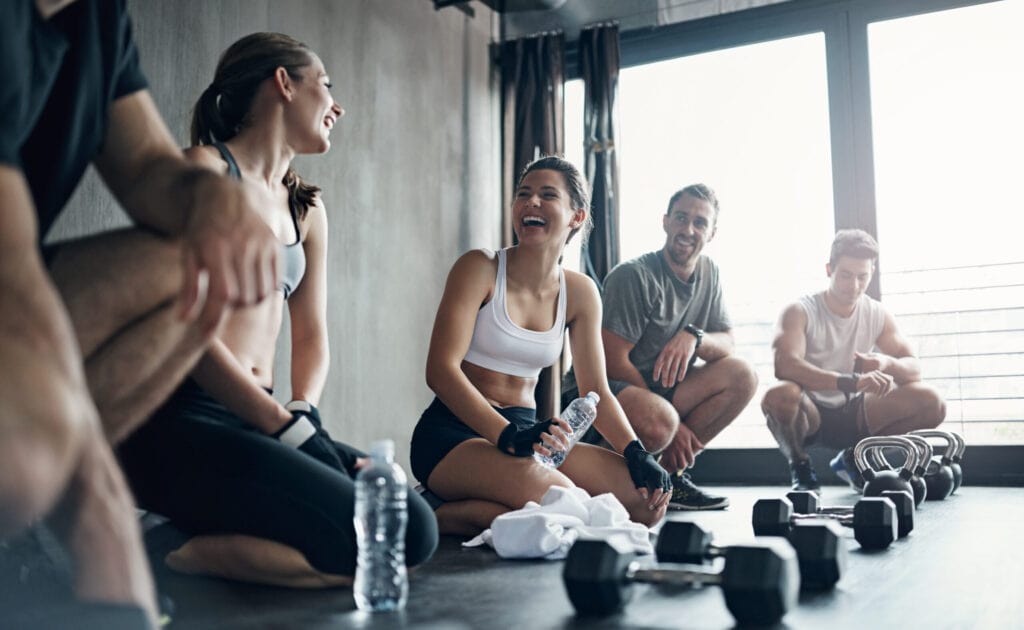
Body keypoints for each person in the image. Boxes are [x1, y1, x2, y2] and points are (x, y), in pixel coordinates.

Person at [117, 32, 438, 587]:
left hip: (263, 419)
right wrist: (286, 429)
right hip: (177, 421)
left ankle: (178, 541)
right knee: (371, 553)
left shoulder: (305, 210)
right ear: (283, 84)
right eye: (326, 85)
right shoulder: (205, 173)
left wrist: (303, 412)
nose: (337, 105)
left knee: (413, 527)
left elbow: (312, 334)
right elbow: (181, 326)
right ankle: (162, 554)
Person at [1, 1, 282, 626]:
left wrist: (212, 197)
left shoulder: (94, 15)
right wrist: (104, 515)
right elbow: (9, 265)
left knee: (203, 264)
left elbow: (149, 166)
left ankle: (29, 525)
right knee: (23, 465)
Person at [410, 155, 673, 537]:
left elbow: (595, 391)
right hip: (454, 436)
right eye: (523, 194)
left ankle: (455, 510)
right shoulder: (479, 269)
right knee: (567, 502)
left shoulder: (581, 293)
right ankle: (437, 514)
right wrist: (507, 437)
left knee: (644, 505)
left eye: (547, 195)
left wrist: (636, 452)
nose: (530, 203)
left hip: (527, 436)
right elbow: (440, 371)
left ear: (576, 217)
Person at [562, 184, 758, 510]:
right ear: (665, 222)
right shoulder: (633, 276)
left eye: (699, 223)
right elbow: (610, 361)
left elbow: (727, 340)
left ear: (711, 234)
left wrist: (695, 337)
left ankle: (667, 479)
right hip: (601, 393)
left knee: (743, 375)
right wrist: (676, 426)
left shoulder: (710, 273)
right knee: (661, 423)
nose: (688, 229)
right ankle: (604, 481)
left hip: (659, 392)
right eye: (681, 218)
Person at [761, 228, 946, 492]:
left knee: (932, 402)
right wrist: (851, 382)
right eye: (846, 275)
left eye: (863, 277)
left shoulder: (876, 313)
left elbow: (913, 368)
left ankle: (856, 458)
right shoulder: (800, 311)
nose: (854, 286)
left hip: (857, 412)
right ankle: (800, 466)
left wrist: (885, 364)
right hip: (811, 410)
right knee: (779, 395)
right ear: (829, 270)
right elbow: (785, 366)